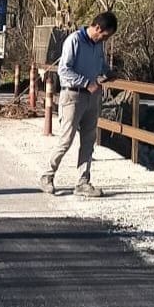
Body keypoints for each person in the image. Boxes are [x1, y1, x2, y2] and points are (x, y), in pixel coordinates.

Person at [41, 11, 118, 198]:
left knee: (88, 141)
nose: (105, 40)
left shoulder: (98, 45)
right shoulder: (74, 41)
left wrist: (109, 72)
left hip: (92, 97)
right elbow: (63, 70)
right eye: (105, 35)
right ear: (97, 28)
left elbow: (100, 65)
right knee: (66, 140)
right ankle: (47, 176)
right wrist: (86, 82)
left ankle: (83, 182)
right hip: (73, 96)